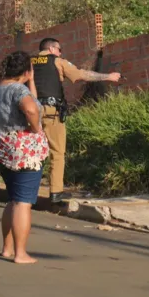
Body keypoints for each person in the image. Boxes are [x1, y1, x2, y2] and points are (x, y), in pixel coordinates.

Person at [32, 38, 121, 203]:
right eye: (59, 49)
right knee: (57, 152)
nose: (61, 52)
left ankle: (27, 189)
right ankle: (56, 193)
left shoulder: (28, 63)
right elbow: (82, 75)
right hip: (51, 112)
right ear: (52, 49)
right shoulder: (57, 61)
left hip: (30, 111)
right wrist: (108, 76)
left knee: (32, 151)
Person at [0, 51, 49, 264]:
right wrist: (35, 128)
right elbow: (32, 108)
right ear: (25, 70)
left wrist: (30, 81)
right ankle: (20, 253)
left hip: (4, 147)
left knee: (13, 200)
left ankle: (7, 248)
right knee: (23, 202)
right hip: (24, 150)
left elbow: (31, 100)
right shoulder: (17, 90)